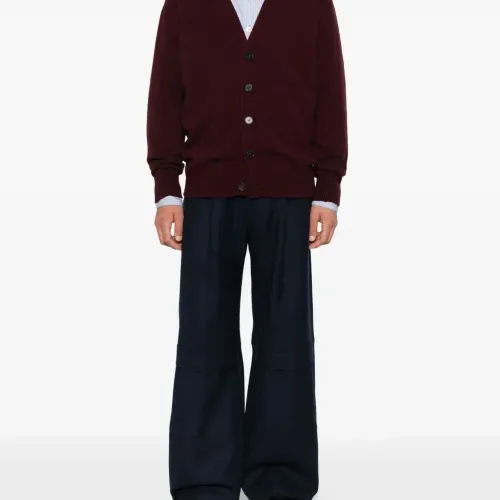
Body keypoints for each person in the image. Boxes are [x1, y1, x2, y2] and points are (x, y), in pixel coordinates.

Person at [146, 0, 347, 499]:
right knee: (204, 336)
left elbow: (330, 90)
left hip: (289, 193)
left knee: (285, 338)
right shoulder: (184, 5)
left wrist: (327, 189)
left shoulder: (312, 5)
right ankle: (204, 479)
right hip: (208, 194)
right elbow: (165, 92)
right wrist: (167, 189)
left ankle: (279, 477)